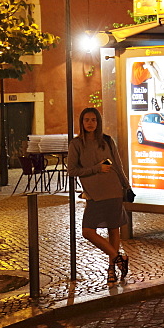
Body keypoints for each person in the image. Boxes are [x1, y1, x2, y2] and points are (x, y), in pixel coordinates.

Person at [66, 107, 131, 286]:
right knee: (88, 231)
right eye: (86, 120)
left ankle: (112, 268)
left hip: (113, 190)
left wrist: (126, 186)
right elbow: (72, 171)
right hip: (94, 195)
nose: (90, 123)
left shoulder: (107, 141)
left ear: (98, 122)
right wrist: (97, 168)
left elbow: (116, 164)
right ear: (81, 122)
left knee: (113, 229)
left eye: (93, 120)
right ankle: (118, 257)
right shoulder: (76, 144)